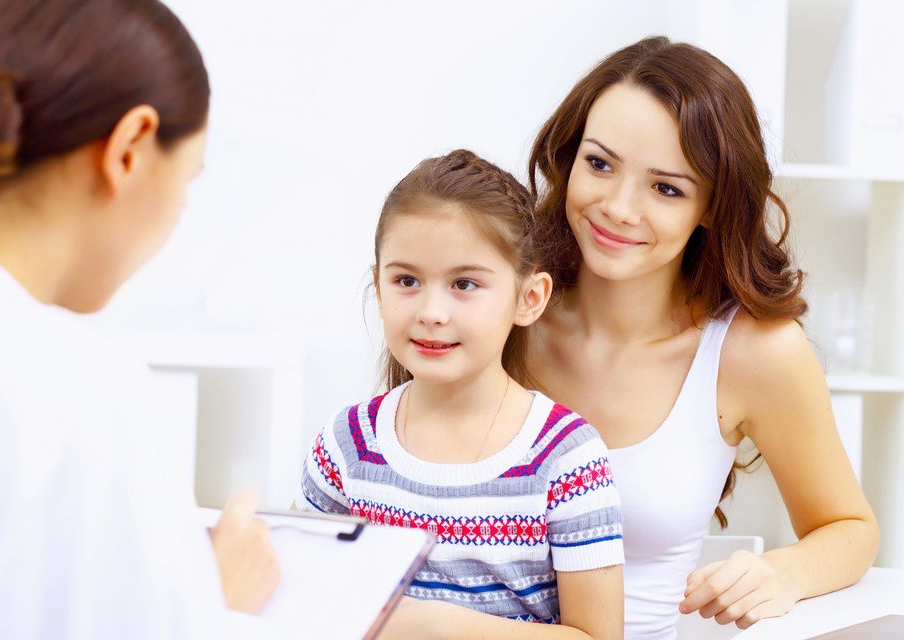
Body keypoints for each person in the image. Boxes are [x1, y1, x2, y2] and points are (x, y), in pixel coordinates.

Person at [0, 0, 280, 638]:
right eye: (188, 179)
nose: (179, 211)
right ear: (128, 149)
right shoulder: (81, 396)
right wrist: (217, 607)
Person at [525, 36, 879, 639]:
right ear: (568, 156)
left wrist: (781, 573)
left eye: (667, 188)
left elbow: (850, 528)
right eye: (600, 163)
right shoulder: (499, 314)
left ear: (713, 207)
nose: (617, 207)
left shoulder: (755, 353)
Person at [298, 149, 624, 639]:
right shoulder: (345, 446)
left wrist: (436, 626)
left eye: (464, 284)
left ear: (528, 298)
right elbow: (307, 608)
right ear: (379, 287)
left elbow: (598, 637)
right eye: (406, 280)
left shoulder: (566, 457)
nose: (431, 311)